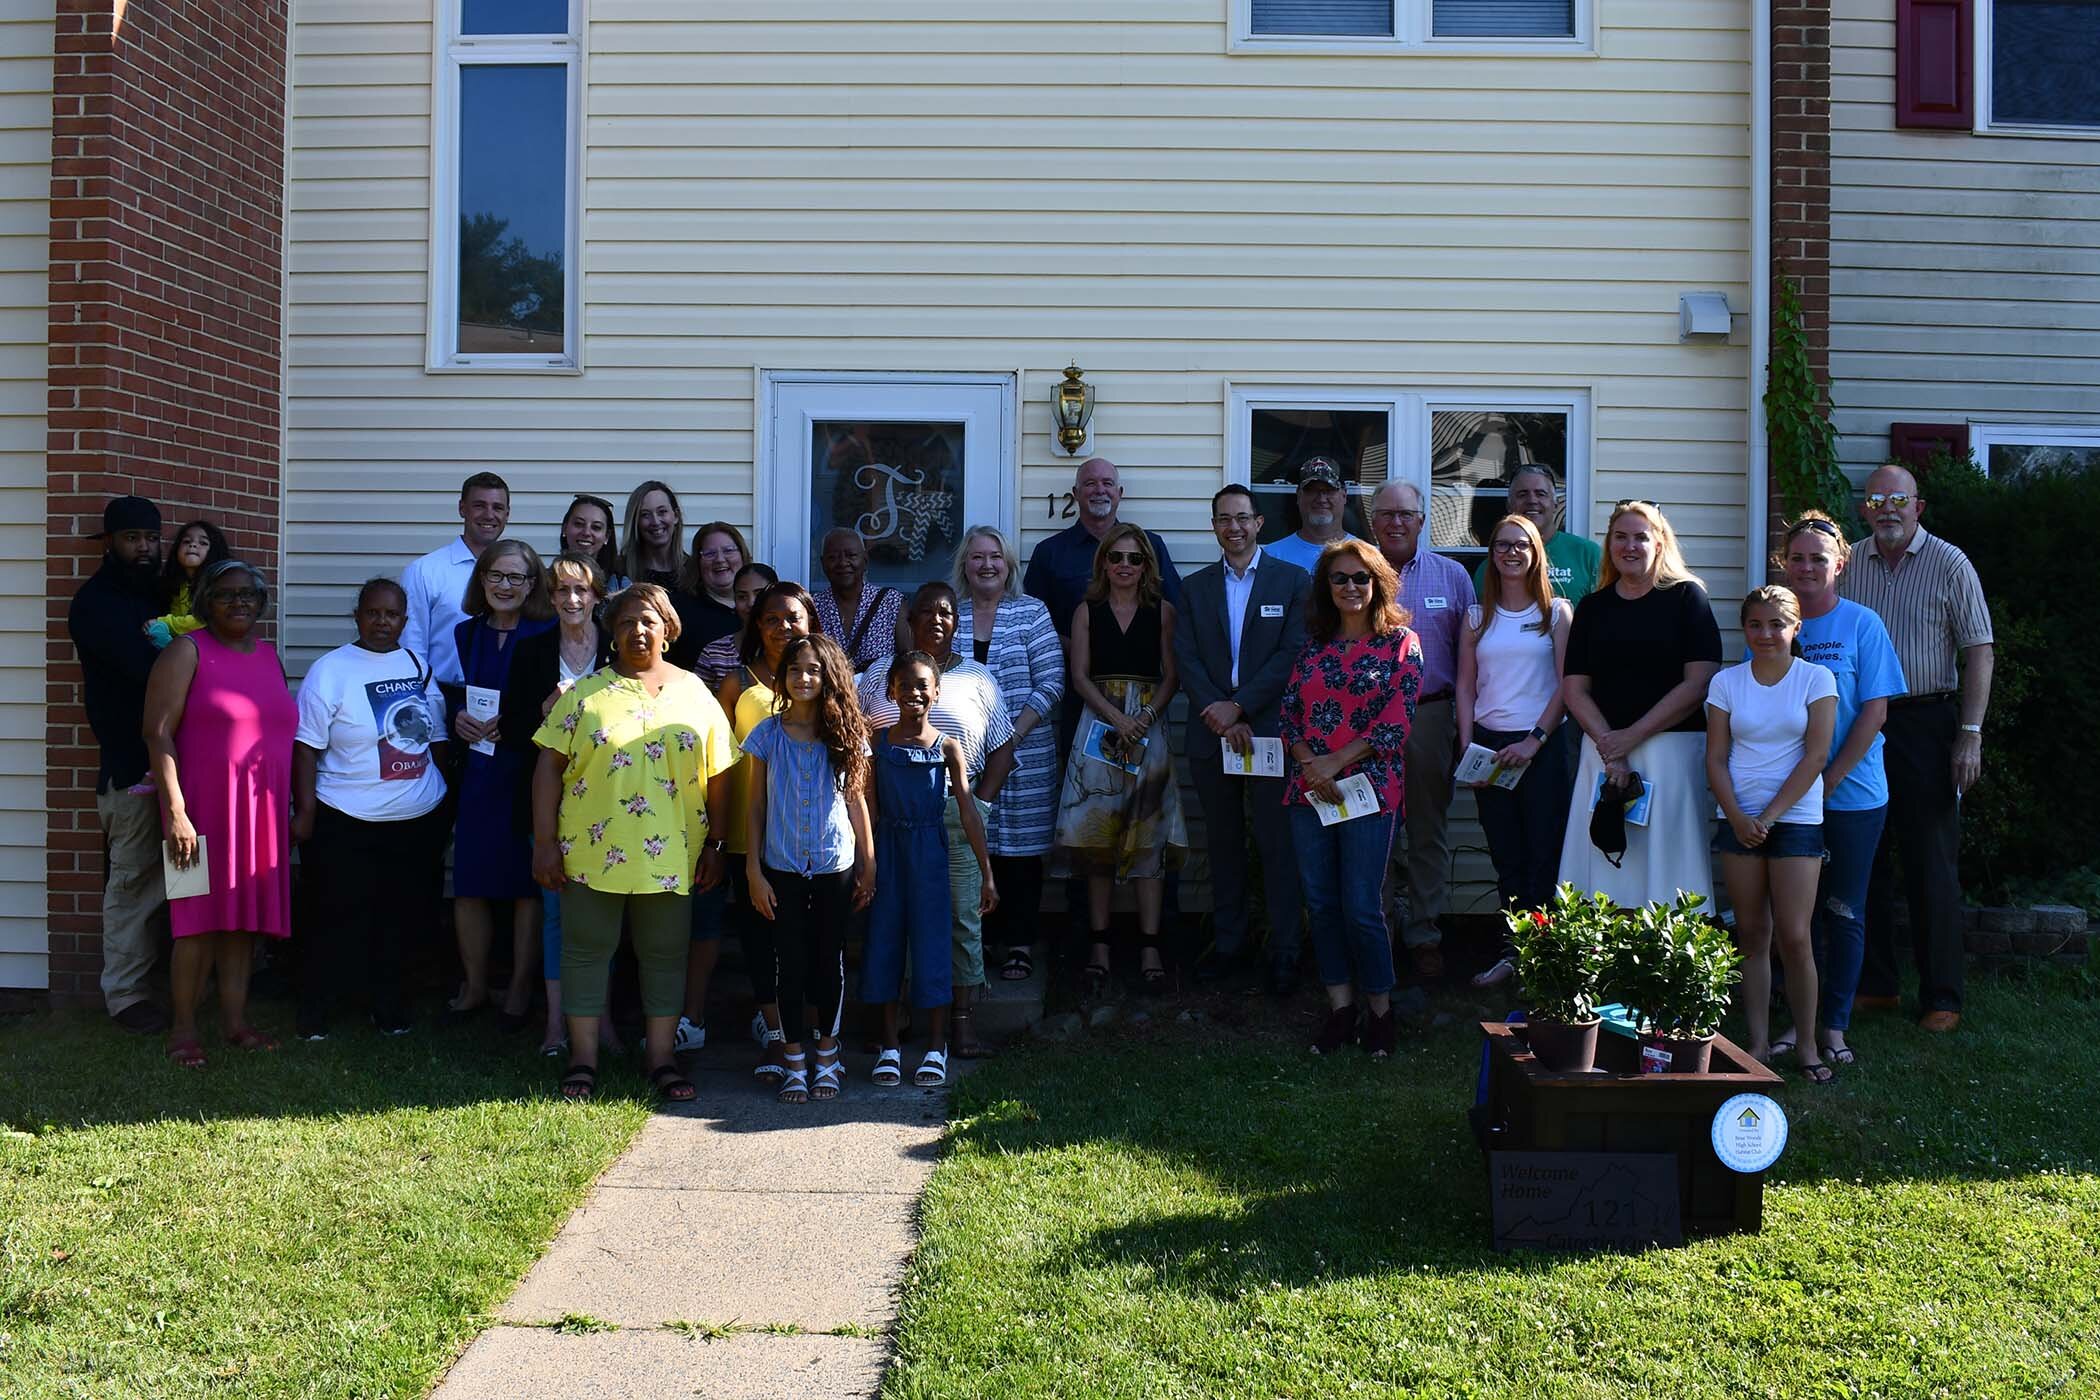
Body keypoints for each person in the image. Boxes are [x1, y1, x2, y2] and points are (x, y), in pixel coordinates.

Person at [531, 583, 739, 1103]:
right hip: (589, 851)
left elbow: (721, 776)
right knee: (584, 953)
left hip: (673, 855)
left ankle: (661, 1059)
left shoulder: (696, 693)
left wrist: (717, 844)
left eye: (648, 620)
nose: (637, 630)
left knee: (666, 955)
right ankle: (582, 1060)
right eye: (625, 622)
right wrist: (544, 843)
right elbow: (547, 769)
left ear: (668, 630)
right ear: (612, 632)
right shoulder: (584, 694)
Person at [1839, 462, 1993, 1033]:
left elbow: (1979, 649)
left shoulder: (1951, 563)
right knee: (1865, 855)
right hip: (1863, 725)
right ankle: (1876, 985)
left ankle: (1942, 997)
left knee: (1931, 862)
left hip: (1928, 722)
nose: (1888, 510)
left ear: (1918, 507)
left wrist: (1969, 733)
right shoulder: (1849, 565)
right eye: (1877, 500)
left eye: (1898, 499)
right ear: (1865, 509)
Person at [142, 560, 298, 1067]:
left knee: (241, 924)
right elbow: (157, 733)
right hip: (198, 811)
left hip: (259, 814)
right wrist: (176, 811)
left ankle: (235, 1023)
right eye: (227, 594)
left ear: (261, 603)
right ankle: (183, 1030)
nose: (239, 603)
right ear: (206, 600)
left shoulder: (269, 656)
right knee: (193, 922)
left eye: (249, 595)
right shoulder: (186, 651)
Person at [857, 582, 1017, 1057]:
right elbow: (861, 743)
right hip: (893, 817)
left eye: (945, 611)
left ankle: (961, 1025)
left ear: (956, 621)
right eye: (925, 611)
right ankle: (902, 1017)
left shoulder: (978, 678)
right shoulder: (879, 676)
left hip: (953, 811)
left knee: (960, 920)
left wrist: (978, 803)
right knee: (896, 917)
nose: (935, 619)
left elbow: (1003, 748)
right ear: (909, 621)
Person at [1280, 539, 1423, 1059]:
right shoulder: (1313, 649)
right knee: (1321, 903)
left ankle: (1381, 1012)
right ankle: (1340, 1008)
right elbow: (1290, 715)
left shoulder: (1401, 644)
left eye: (1361, 578)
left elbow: (1396, 721)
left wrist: (1332, 764)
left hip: (1368, 791)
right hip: (1309, 791)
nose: (1350, 587)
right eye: (1339, 578)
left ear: (1378, 583)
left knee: (1363, 906)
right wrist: (1308, 764)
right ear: (1327, 587)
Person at [290, 578, 450, 1040]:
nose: (383, 622)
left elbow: (435, 732)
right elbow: (306, 747)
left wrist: (444, 795)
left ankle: (389, 1006)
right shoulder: (331, 670)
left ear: (405, 619)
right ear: (357, 615)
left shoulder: (417, 663)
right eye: (373, 613)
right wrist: (304, 812)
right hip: (346, 816)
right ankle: (316, 1008)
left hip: (416, 818)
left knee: (399, 917)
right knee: (336, 914)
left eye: (393, 614)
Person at [1173, 485, 1311, 995]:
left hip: (1269, 732)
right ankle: (1230, 945)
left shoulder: (1291, 582)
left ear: (1259, 524)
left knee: (1277, 844)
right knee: (1224, 842)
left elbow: (1292, 654)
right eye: (1224, 519)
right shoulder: (1194, 587)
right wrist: (1222, 713)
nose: (1234, 528)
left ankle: (1285, 951)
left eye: (1242, 518)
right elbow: (1185, 656)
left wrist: (1242, 706)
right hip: (1213, 733)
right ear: (1214, 526)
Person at [1558, 501, 1724, 908]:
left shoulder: (1688, 598)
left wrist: (1631, 737)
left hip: (1671, 750)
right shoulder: (1593, 607)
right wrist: (1612, 750)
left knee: (1670, 860)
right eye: (1620, 537)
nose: (1629, 546)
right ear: (1609, 543)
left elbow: (1699, 680)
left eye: (1640, 537)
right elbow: (1574, 688)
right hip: (1604, 754)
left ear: (1660, 544)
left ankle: (1668, 962)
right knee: (1605, 858)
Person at [1784, 511, 1904, 1063]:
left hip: (1853, 796)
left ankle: (1833, 1025)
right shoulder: (1773, 622)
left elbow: (1873, 713)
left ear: (1840, 563)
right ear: (1785, 564)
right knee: (1795, 916)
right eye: (1798, 557)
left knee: (1842, 910)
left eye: (1818, 558)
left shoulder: (1863, 624)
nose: (1807, 567)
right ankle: (1797, 1022)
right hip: (1788, 796)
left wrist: (1826, 782)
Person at [1706, 586, 1839, 1083]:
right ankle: (1758, 1044)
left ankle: (1807, 1046)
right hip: (1738, 820)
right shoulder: (1726, 682)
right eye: (1756, 625)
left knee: (1795, 936)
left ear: (1796, 627)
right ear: (1745, 629)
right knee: (1752, 934)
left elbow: (1816, 756)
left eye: (1776, 625)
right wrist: (1738, 816)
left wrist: (1772, 815)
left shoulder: (1816, 678)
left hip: (1798, 822)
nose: (1766, 634)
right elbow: (1715, 758)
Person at [1049, 523, 1188, 996]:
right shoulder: (1086, 611)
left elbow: (1172, 675)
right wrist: (1115, 717)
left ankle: (1150, 946)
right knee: (1097, 838)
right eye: (1117, 558)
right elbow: (1080, 675)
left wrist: (1143, 717)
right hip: (1098, 727)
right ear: (1103, 562)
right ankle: (1100, 945)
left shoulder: (1163, 611)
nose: (1125, 566)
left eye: (1134, 559)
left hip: (1149, 726)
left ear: (1146, 565)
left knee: (1149, 835)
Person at [744, 634, 876, 1104]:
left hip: (833, 863)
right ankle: (793, 1058)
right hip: (780, 865)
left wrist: (869, 862)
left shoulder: (846, 733)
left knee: (828, 961)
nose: (804, 678)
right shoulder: (767, 734)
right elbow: (756, 804)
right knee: (790, 964)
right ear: (782, 677)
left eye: (815, 671)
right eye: (796, 669)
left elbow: (856, 800)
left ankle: (827, 1053)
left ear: (830, 678)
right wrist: (753, 870)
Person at [862, 651, 997, 1089]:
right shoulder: (878, 744)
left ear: (936, 692)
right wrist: (868, 863)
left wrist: (987, 872)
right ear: (890, 691)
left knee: (933, 945)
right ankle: (889, 1046)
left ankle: (936, 1046)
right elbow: (868, 807)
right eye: (905, 685)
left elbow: (968, 811)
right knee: (884, 942)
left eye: (923, 685)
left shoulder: (948, 747)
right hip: (889, 850)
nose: (914, 693)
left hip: (931, 851)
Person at [499, 552, 616, 1057]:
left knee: (603, 915)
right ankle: (554, 1026)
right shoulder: (530, 651)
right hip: (549, 799)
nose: (572, 599)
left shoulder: (617, 648)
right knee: (554, 913)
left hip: (609, 799)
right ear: (551, 598)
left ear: (596, 597)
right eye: (562, 591)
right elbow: (511, 729)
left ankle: (602, 1021)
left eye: (581, 590)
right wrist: (544, 712)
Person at [66, 495, 173, 1033]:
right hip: (131, 771)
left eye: (152, 539)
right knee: (132, 885)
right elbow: (148, 670)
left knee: (186, 875)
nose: (145, 548)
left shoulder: (160, 593)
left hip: (181, 769)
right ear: (109, 543)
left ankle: (180, 982)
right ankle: (126, 995)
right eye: (133, 539)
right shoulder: (94, 604)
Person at [1456, 514, 1574, 989]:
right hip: (1490, 748)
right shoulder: (1474, 616)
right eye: (1502, 544)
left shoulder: (1557, 613)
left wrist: (1534, 741)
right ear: (1491, 554)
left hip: (1540, 747)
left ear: (1535, 553)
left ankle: (1543, 960)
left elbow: (1568, 687)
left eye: (1521, 545)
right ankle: (1513, 953)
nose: (1510, 552)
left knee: (1542, 854)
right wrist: (1468, 747)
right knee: (1505, 855)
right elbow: (1465, 685)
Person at [1368, 479, 1477, 978]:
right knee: (1374, 826)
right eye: (1386, 513)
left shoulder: (1454, 577)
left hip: (1431, 715)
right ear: (1372, 520)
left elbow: (1471, 663)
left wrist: (1461, 727)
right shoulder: (1354, 573)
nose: (1395, 522)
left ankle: (1426, 932)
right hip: (1365, 720)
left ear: (1422, 520)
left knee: (1428, 828)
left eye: (1405, 514)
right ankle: (1379, 930)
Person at [447, 539, 556, 1026]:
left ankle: (517, 990)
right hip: (478, 767)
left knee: (524, 886)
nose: (505, 586)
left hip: (526, 768)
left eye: (517, 577)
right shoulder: (465, 633)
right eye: (496, 576)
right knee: (469, 881)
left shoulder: (548, 630)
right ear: (481, 580)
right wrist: (457, 718)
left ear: (533, 585)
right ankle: (473, 985)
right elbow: (456, 694)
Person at [952, 525, 1064, 985]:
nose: (987, 565)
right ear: (964, 566)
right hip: (964, 757)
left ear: (1009, 565)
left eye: (995, 557)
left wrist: (1009, 738)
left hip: (1027, 752)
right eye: (977, 558)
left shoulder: (1031, 613)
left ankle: (1018, 942)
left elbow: (1053, 681)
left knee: (1020, 853)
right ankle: (980, 940)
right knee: (973, 847)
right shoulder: (950, 614)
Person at [720, 581, 820, 1081]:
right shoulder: (738, 682)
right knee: (760, 940)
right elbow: (715, 757)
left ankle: (813, 1040)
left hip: (809, 841)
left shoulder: (821, 680)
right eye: (772, 619)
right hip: (750, 834)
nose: (784, 627)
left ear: (810, 623)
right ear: (757, 627)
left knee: (806, 942)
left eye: (794, 618)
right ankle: (777, 1039)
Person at [403, 472, 511, 692]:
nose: (489, 515)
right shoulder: (425, 572)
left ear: (507, 514)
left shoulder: (520, 573)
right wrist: (435, 706)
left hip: (506, 702)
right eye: (479, 505)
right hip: (443, 696)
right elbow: (412, 653)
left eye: (497, 508)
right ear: (462, 508)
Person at [1470, 464, 1601, 604]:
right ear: (1509, 505)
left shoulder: (1588, 554)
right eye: (1522, 494)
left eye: (1540, 494)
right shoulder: (1491, 567)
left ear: (1555, 504)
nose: (1532, 500)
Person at [813, 527, 908, 672]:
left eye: (851, 555)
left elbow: (908, 661)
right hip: (829, 695)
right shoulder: (813, 607)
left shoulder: (891, 603)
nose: (842, 563)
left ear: (865, 559)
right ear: (822, 563)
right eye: (833, 557)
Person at [1260, 458, 1361, 574]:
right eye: (1312, 490)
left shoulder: (1364, 555)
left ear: (1344, 495)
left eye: (1329, 490)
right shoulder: (1271, 557)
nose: (1321, 499)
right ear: (1298, 496)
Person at [671, 521, 750, 667]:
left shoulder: (763, 605)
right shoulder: (679, 610)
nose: (720, 559)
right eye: (709, 553)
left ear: (742, 555)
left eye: (728, 550)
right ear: (698, 562)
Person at [146, 519, 230, 648]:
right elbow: (178, 616)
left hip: (214, 647)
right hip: (189, 644)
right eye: (186, 541)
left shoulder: (217, 584)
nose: (193, 545)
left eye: (203, 542)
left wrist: (164, 622)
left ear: (214, 551)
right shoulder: (179, 584)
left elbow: (203, 620)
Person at [694, 562, 776, 688]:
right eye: (742, 597)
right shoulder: (714, 653)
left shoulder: (789, 649)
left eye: (759, 594)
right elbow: (698, 703)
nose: (751, 603)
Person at [620, 480, 685, 589]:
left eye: (662, 511)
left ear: (676, 516)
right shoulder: (620, 571)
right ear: (635, 522)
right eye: (645, 515)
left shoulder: (694, 571)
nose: (655, 521)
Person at [556, 494, 627, 591]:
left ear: (607, 536)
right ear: (564, 528)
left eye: (596, 527)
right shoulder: (544, 582)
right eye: (579, 524)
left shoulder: (622, 586)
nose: (586, 532)